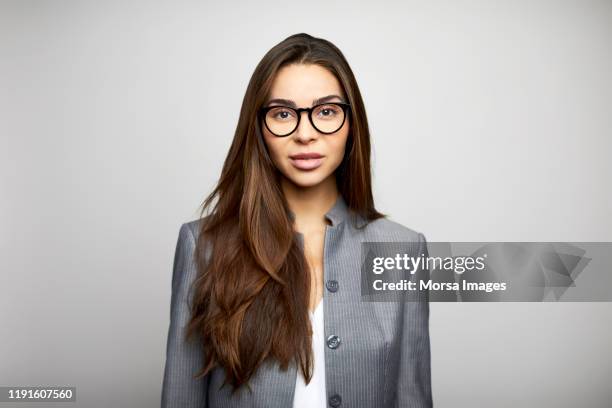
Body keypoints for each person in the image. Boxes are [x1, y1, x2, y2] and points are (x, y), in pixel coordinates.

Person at [161, 32, 432, 408]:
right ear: (259, 129)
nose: (305, 135)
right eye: (283, 114)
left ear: (352, 124)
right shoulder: (203, 246)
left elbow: (412, 395)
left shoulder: (404, 250)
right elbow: (181, 397)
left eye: (326, 112)